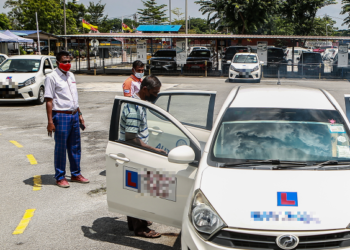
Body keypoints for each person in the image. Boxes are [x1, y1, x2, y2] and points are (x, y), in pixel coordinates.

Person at [120, 75, 165, 238]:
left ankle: (137, 221)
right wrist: (154, 150)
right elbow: (131, 138)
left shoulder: (139, 103)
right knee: (138, 190)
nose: (156, 95)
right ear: (145, 89)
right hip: (135, 152)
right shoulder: (133, 109)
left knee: (138, 187)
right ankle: (140, 228)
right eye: (154, 92)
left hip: (138, 151)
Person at [44, 50, 89, 188]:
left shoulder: (71, 75)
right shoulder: (51, 77)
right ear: (57, 62)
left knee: (75, 146)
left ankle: (76, 174)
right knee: (61, 148)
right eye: (64, 61)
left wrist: (80, 114)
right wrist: (50, 122)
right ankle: (60, 177)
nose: (67, 64)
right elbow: (49, 101)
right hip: (61, 115)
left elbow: (74, 98)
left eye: (69, 61)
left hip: (74, 115)